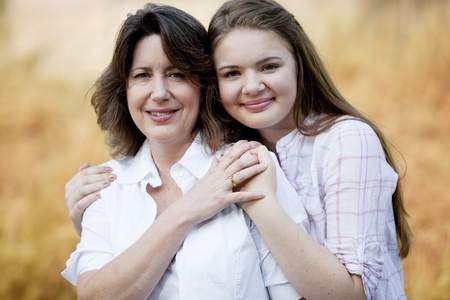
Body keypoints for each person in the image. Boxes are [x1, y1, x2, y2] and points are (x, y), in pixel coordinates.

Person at [66, 0, 413, 299]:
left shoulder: (338, 142)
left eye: (269, 66)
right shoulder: (114, 188)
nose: (252, 86)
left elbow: (347, 294)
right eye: (232, 73)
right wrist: (95, 218)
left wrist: (259, 202)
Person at [61, 3, 308, 299]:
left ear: (204, 84)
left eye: (177, 73)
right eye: (142, 75)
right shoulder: (107, 186)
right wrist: (187, 210)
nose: (160, 92)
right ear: (123, 88)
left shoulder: (247, 167)